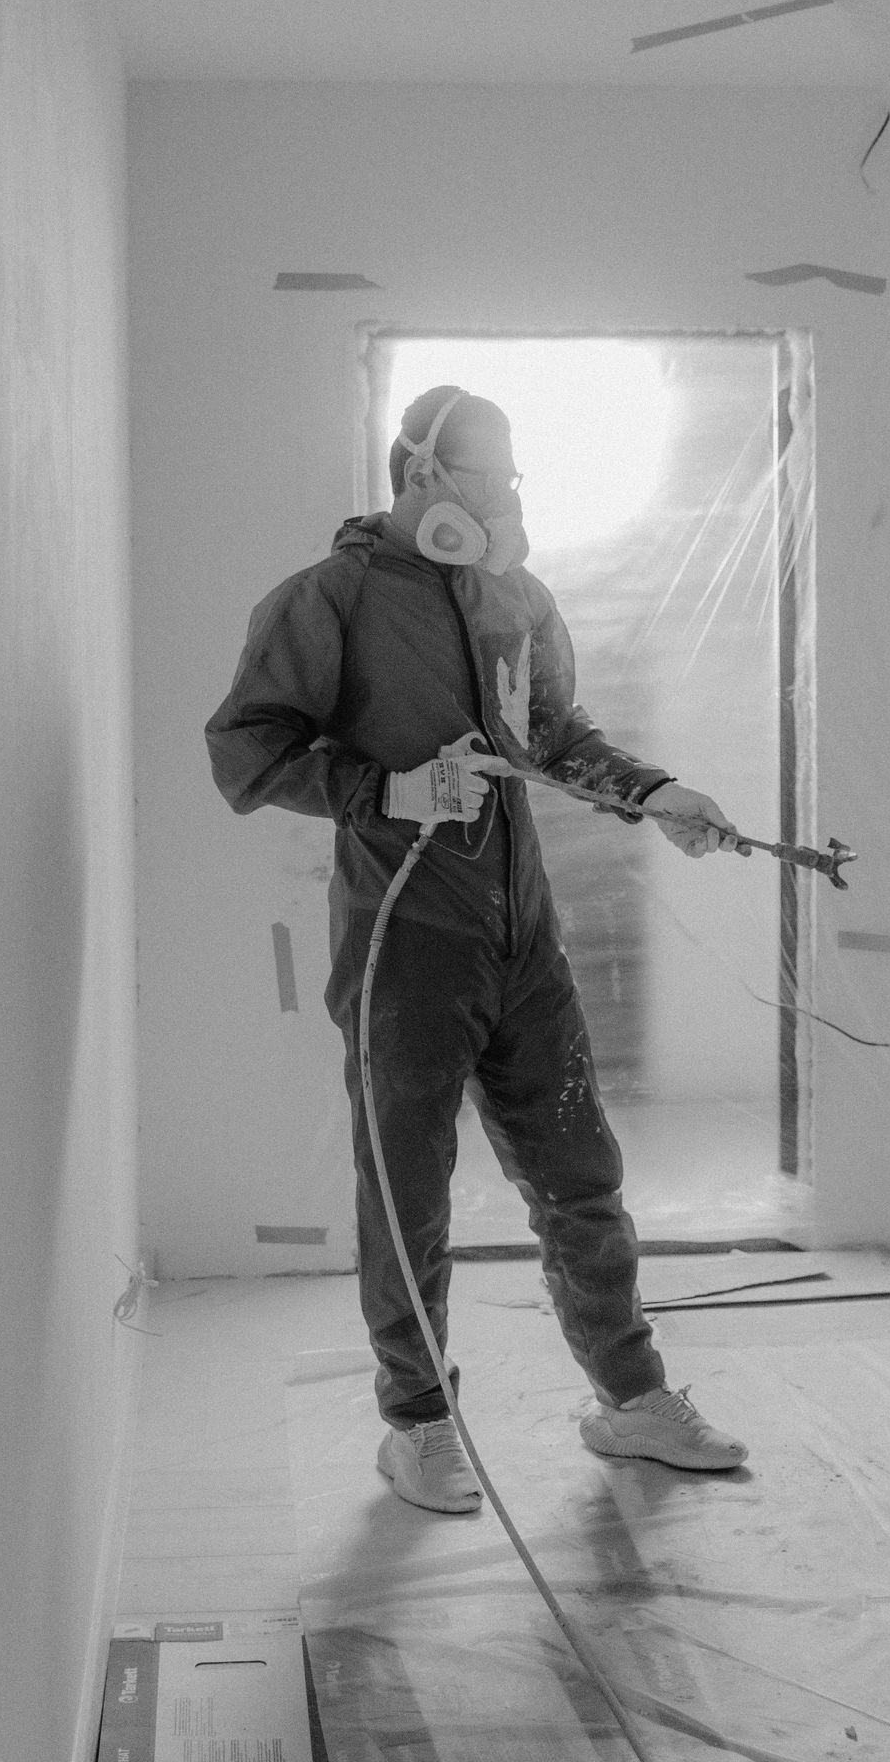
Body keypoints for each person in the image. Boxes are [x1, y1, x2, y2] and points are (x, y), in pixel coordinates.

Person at [206, 383, 750, 1515]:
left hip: (520, 939)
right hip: (405, 942)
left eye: (512, 478)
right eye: (485, 476)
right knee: (410, 1194)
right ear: (419, 477)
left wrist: (655, 792)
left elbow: (555, 739)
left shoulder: (518, 601)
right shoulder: (333, 600)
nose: (503, 496)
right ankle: (416, 1422)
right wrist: (381, 788)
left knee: (580, 1172)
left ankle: (632, 1399)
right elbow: (243, 753)